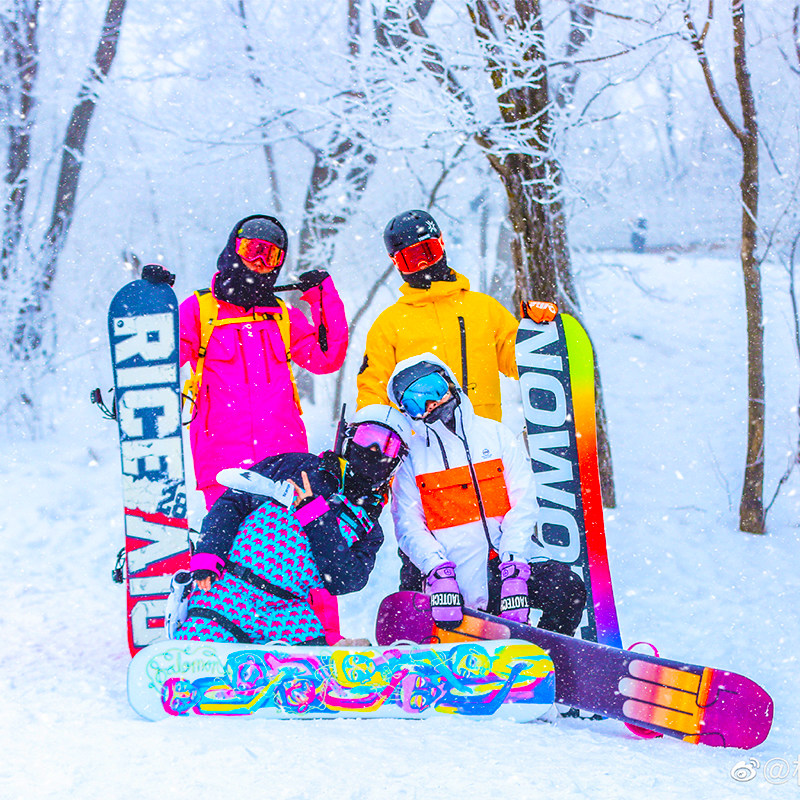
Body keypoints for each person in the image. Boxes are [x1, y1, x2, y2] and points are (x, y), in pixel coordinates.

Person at [173, 405, 411, 646]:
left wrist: (315, 517)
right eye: (368, 436)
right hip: (230, 589)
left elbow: (345, 580)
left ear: (395, 463)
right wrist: (208, 555)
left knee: (308, 675)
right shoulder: (297, 465)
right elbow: (234, 501)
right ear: (349, 438)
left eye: (388, 446)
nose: (373, 450)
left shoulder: (368, 529)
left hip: (286, 612)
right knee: (199, 660)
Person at [387, 353, 586, 635]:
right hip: (448, 578)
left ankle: (548, 651)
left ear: (449, 382)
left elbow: (523, 503)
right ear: (407, 412)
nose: (430, 403)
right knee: (411, 619)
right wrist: (438, 570)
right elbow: (407, 525)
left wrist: (515, 567)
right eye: (415, 402)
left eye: (433, 390)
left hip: (502, 568)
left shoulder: (496, 435)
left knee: (567, 589)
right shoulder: (412, 458)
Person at [180, 214, 348, 508]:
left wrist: (323, 297)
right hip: (223, 460)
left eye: (268, 255)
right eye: (251, 250)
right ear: (234, 249)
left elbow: (327, 359)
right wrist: (154, 304)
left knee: (283, 546)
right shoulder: (201, 309)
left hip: (284, 461)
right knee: (229, 548)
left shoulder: (282, 316)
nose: (258, 262)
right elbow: (165, 359)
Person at [356, 209, 557, 422]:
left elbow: (519, 360)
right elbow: (373, 390)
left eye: (427, 252)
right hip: (424, 447)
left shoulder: (484, 308)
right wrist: (371, 434)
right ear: (396, 263)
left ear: (441, 243)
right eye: (411, 259)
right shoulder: (388, 325)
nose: (423, 265)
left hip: (486, 439)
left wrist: (540, 334)